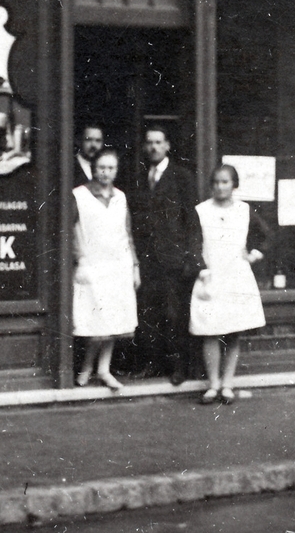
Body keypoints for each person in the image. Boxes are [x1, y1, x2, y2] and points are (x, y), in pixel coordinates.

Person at [187, 163, 271, 404]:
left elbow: (266, 236)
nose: (220, 187)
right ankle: (212, 384)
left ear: (234, 185)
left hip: (236, 277)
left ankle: (227, 384)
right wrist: (201, 269)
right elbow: (192, 244)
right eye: (215, 182)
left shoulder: (245, 210)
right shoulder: (201, 210)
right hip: (211, 277)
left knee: (233, 333)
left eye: (225, 182)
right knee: (210, 331)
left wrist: (253, 254)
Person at [70, 150, 139, 390]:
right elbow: (71, 230)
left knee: (113, 321)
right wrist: (80, 260)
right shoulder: (79, 195)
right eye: (101, 167)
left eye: (111, 168)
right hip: (92, 266)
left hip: (118, 266)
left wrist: (135, 267)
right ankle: (87, 368)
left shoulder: (120, 197)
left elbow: (127, 234)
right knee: (94, 321)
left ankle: (103, 370)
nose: (105, 172)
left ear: (116, 170)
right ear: (93, 168)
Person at [131, 126, 195, 384]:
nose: (154, 147)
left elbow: (191, 219)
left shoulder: (182, 176)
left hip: (174, 260)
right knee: (150, 313)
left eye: (159, 142)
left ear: (168, 145)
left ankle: (179, 366)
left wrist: (189, 256)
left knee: (175, 314)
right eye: (150, 143)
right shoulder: (140, 176)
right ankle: (153, 364)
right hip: (148, 260)